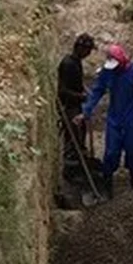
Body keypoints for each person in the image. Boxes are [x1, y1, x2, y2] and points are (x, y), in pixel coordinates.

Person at [75, 43, 133, 198]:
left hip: (132, 118)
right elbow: (97, 92)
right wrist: (86, 112)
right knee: (111, 152)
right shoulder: (107, 73)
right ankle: (107, 185)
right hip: (114, 119)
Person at [57, 33, 95, 167]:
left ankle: (80, 162)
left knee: (80, 133)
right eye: (88, 50)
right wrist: (81, 96)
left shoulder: (76, 62)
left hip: (76, 105)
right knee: (73, 137)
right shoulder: (68, 64)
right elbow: (62, 90)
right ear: (80, 48)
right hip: (68, 107)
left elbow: (76, 83)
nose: (89, 53)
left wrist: (84, 90)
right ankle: (71, 168)